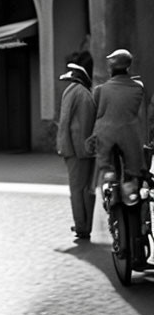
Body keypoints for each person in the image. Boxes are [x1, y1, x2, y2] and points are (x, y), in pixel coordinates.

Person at [86, 48, 148, 180]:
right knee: (135, 175)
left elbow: (94, 115)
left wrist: (91, 137)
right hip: (131, 139)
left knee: (105, 173)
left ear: (111, 68)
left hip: (105, 140)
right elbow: (144, 116)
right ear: (128, 67)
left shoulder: (100, 90)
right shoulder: (138, 88)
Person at [56, 62, 96, 241]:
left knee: (77, 190)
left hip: (74, 149)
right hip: (86, 149)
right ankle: (86, 225)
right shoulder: (86, 93)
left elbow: (64, 122)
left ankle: (81, 226)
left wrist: (63, 147)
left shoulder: (72, 92)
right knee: (87, 190)